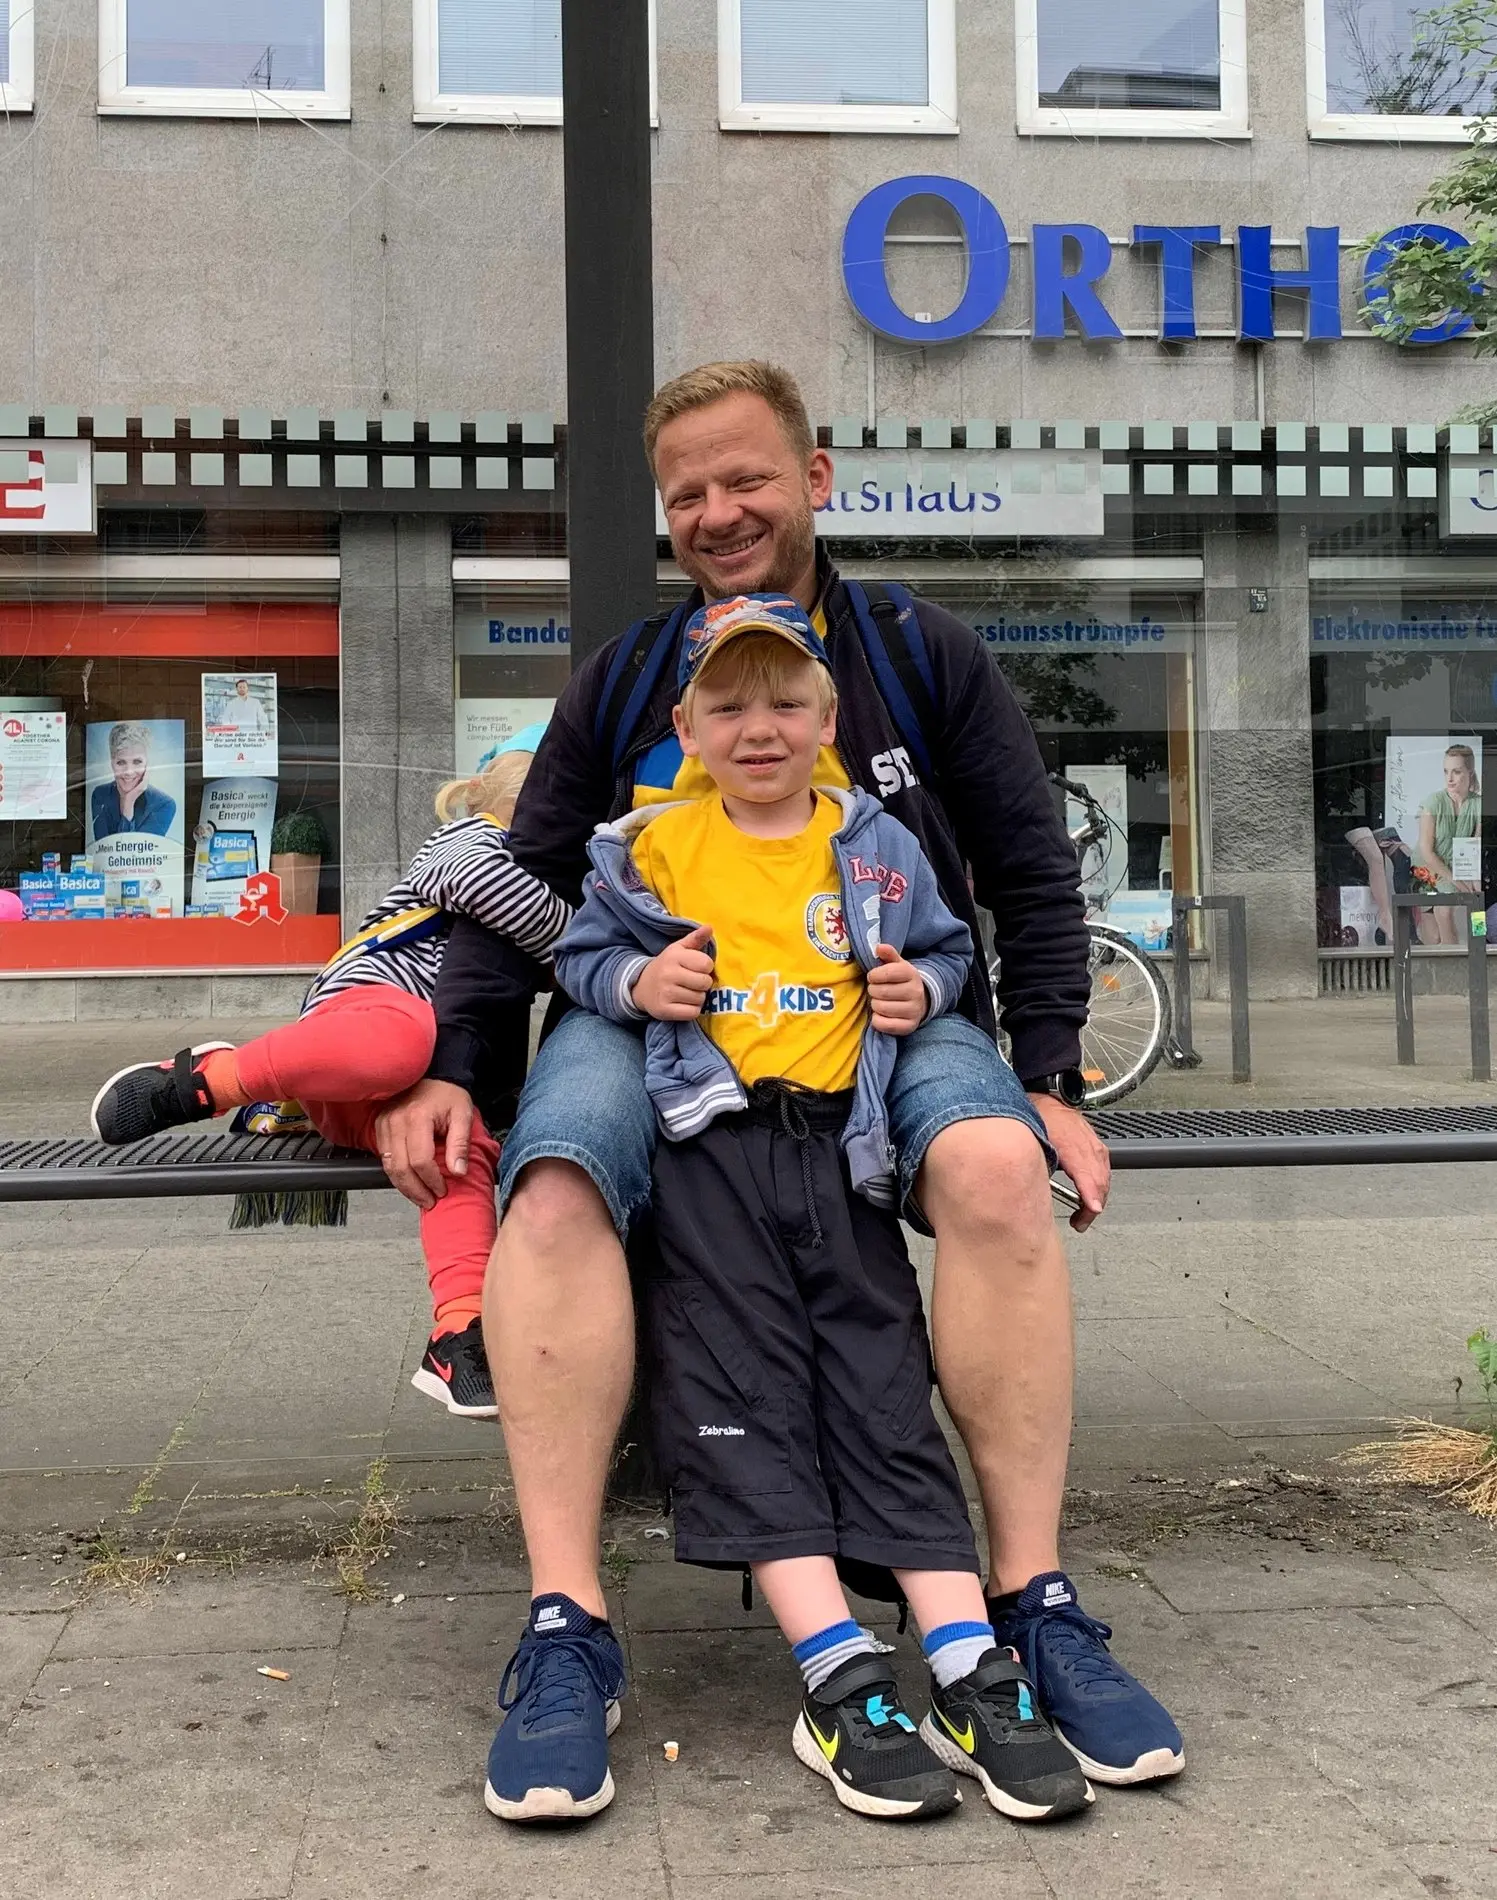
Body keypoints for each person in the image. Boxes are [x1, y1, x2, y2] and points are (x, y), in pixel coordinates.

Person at [373, 360, 1184, 1810]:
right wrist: (461, 1075)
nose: (717, 509)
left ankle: (1031, 1606)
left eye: (746, 477)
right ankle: (570, 1630)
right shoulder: (628, 679)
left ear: (815, 481)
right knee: (550, 1195)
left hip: (885, 1006)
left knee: (999, 1171)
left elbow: (1026, 875)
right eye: (687, 491)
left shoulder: (917, 652)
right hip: (652, 1018)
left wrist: (1048, 1072)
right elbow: (516, 891)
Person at [495, 595, 1093, 1828]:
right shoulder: (648, 843)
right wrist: (634, 978)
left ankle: (971, 1657)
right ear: (683, 725)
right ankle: (840, 1675)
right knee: (743, 1394)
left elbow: (945, 946)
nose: (756, 726)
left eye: (785, 702)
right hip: (712, 1152)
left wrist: (920, 989)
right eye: (727, 704)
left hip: (843, 1151)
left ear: (830, 719)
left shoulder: (874, 842)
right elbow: (582, 954)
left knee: (884, 1384)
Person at [87, 731, 560, 1419]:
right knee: (397, 1042)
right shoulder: (471, 843)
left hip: (406, 1084)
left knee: (454, 1148)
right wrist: (588, 938)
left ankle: (459, 1325)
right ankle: (211, 1079)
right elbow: (491, 892)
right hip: (365, 1012)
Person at [1416, 744, 1481, 946]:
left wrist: (1472, 881)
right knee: (1443, 911)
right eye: (1446, 772)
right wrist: (1454, 880)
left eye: (1456, 771)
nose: (1450, 778)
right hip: (1424, 867)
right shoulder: (1433, 802)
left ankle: (1479, 943)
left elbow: (1475, 847)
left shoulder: (1479, 805)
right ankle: (1453, 967)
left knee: (1478, 898)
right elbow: (1426, 852)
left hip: (1459, 865)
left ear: (1470, 773)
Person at [91, 721, 177, 840]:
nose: (129, 771)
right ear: (112, 763)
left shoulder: (164, 804)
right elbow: (103, 849)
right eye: (121, 762)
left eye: (137, 762)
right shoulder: (100, 794)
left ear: (148, 763)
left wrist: (128, 802)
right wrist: (128, 802)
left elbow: (135, 853)